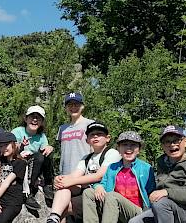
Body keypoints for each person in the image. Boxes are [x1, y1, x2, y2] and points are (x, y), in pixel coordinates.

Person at [46, 121, 120, 223]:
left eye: (99, 134)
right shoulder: (86, 158)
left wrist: (70, 181)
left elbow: (99, 176)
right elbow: (74, 175)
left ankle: (55, 216)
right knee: (63, 187)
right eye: (92, 135)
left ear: (108, 138)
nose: (95, 137)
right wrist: (60, 179)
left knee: (63, 206)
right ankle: (53, 218)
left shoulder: (112, 153)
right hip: (87, 193)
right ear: (87, 140)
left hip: (103, 194)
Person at [128, 125, 186, 223]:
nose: (172, 144)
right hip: (164, 208)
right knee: (134, 222)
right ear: (163, 146)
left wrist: (166, 192)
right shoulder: (161, 163)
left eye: (176, 140)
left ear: (185, 142)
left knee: (160, 203)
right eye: (167, 141)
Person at [46, 94, 97, 223]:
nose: (73, 107)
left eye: (76, 104)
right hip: (65, 175)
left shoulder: (90, 124)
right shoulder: (62, 128)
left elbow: (94, 150)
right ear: (66, 108)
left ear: (82, 106)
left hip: (83, 176)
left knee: (78, 212)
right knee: (61, 212)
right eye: (70, 105)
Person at [89, 131, 156, 223]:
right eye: (124, 144)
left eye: (133, 145)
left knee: (113, 196)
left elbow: (151, 192)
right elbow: (103, 184)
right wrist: (98, 186)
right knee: (88, 192)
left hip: (137, 211)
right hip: (113, 207)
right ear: (119, 149)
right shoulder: (112, 167)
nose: (129, 148)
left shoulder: (146, 168)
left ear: (139, 149)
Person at [12, 105, 55, 214]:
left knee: (46, 154)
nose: (35, 120)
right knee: (37, 157)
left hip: (34, 165)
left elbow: (45, 152)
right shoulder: (17, 132)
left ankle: (48, 184)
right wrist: (21, 146)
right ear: (26, 119)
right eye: (32, 117)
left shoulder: (41, 136)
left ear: (42, 122)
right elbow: (11, 151)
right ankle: (28, 192)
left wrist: (49, 148)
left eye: (38, 118)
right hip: (19, 164)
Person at [0, 130, 27, 223]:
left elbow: (6, 182)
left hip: (13, 202)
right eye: (1, 146)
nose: (3, 148)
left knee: (1, 221)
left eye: (6, 145)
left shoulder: (20, 163)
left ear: (14, 145)